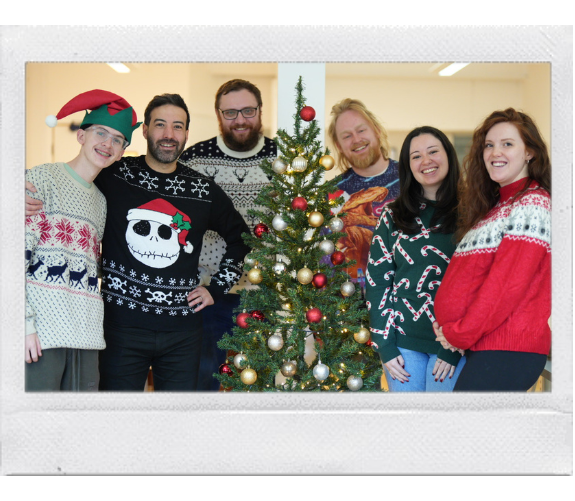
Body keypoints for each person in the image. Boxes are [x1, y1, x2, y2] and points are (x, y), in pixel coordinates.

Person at [26, 93, 250, 392]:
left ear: (186, 133)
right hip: (119, 329)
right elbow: (70, 177)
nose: (169, 135)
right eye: (160, 124)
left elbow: (242, 238)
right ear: (144, 131)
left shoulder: (203, 190)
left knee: (177, 420)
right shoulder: (115, 172)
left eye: (178, 126)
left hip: (182, 333)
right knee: (114, 418)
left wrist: (217, 288)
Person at [25, 89, 141, 391]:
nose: (107, 144)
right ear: (81, 136)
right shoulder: (41, 180)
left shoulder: (101, 202)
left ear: (121, 152)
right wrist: (22, 325)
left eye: (118, 140)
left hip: (87, 337)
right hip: (42, 336)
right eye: (101, 133)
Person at [433, 108, 551, 392]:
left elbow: (504, 288)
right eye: (489, 145)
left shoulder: (532, 204)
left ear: (530, 153)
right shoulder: (497, 207)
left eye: (507, 144)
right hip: (485, 345)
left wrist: (459, 334)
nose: (495, 152)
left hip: (508, 349)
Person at [178, 79, 276, 391]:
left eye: (248, 111)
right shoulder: (192, 161)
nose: (240, 120)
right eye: (230, 112)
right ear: (218, 115)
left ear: (260, 111)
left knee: (261, 384)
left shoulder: (284, 160)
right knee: (203, 379)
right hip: (209, 293)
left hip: (267, 293)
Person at [366, 126, 466, 392]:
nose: (426, 161)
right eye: (416, 156)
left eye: (433, 151)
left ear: (448, 155)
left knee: (442, 430)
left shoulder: (471, 212)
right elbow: (377, 284)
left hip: (452, 344)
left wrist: (456, 346)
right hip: (402, 345)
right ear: (408, 166)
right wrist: (384, 346)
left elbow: (477, 285)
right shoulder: (391, 215)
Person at [326, 98, 400, 295]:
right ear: (338, 145)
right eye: (347, 136)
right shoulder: (331, 194)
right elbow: (326, 259)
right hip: (350, 311)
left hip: (408, 305)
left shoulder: (412, 179)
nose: (356, 139)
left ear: (376, 129)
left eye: (361, 130)